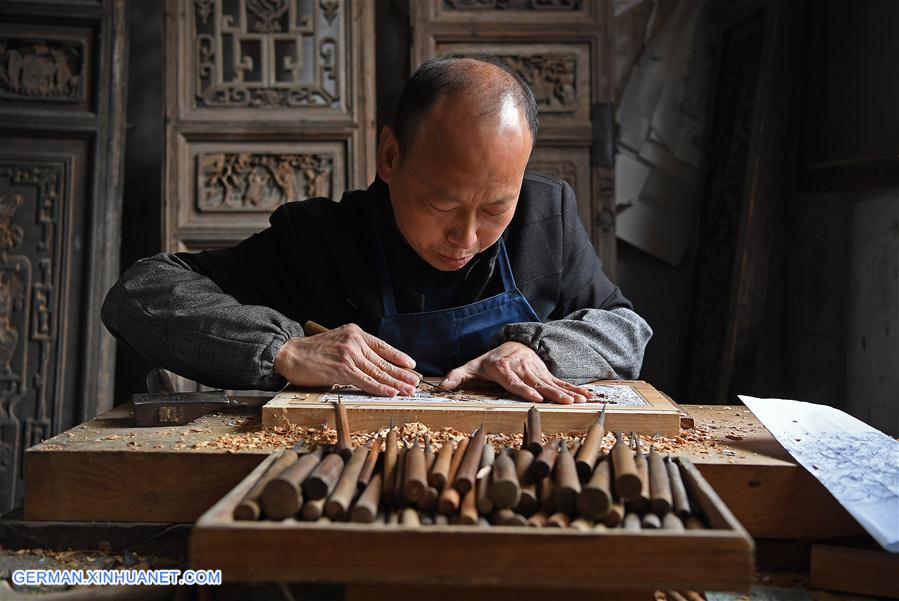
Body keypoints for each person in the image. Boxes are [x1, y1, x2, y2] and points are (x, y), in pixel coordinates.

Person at [102, 55, 652, 405]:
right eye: (442, 201)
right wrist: (283, 351)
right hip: (341, 495)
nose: (465, 237)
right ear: (390, 156)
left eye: (493, 211)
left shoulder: (544, 217)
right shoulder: (319, 239)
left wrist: (538, 351)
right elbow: (138, 294)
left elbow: (628, 330)